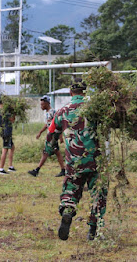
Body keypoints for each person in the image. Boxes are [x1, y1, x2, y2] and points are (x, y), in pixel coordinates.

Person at [46, 78, 107, 241]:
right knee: (98, 194)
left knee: (70, 191)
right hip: (95, 161)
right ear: (85, 92)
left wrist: (50, 148)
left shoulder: (62, 111)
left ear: (70, 92)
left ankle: (67, 213)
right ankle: (93, 230)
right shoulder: (94, 109)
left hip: (73, 162)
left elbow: (52, 132)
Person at [28, 95, 66, 177]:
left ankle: (36, 170)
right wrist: (40, 132)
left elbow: (58, 124)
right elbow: (48, 124)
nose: (41, 106)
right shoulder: (48, 113)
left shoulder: (53, 112)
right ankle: (63, 170)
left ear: (47, 103)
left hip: (53, 135)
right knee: (57, 152)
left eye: (42, 104)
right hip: (51, 135)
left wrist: (60, 136)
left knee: (46, 152)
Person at [0, 98, 16, 175]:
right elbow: (12, 120)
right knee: (5, 149)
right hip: (6, 132)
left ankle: (10, 166)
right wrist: (14, 112)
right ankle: (1, 169)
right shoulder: (5, 111)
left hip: (3, 131)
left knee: (12, 147)